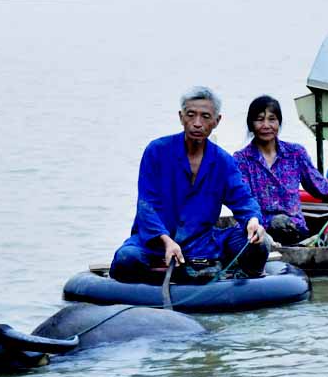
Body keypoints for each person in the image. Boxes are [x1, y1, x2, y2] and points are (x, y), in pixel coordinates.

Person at [110, 87, 268, 284]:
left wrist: (253, 221)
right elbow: (146, 206)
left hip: (202, 243)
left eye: (205, 117)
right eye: (191, 115)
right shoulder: (157, 151)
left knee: (258, 245)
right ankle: (171, 273)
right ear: (181, 117)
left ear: (216, 121)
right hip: (154, 243)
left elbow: (243, 199)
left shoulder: (223, 161)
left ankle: (209, 269)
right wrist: (166, 241)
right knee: (127, 259)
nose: (197, 124)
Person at [232, 95, 328, 245]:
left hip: (294, 230)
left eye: (272, 119)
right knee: (275, 223)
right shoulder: (241, 159)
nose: (266, 125)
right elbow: (242, 201)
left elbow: (324, 188)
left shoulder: (295, 153)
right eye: (259, 119)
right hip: (257, 232)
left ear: (279, 123)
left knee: (283, 223)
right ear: (251, 125)